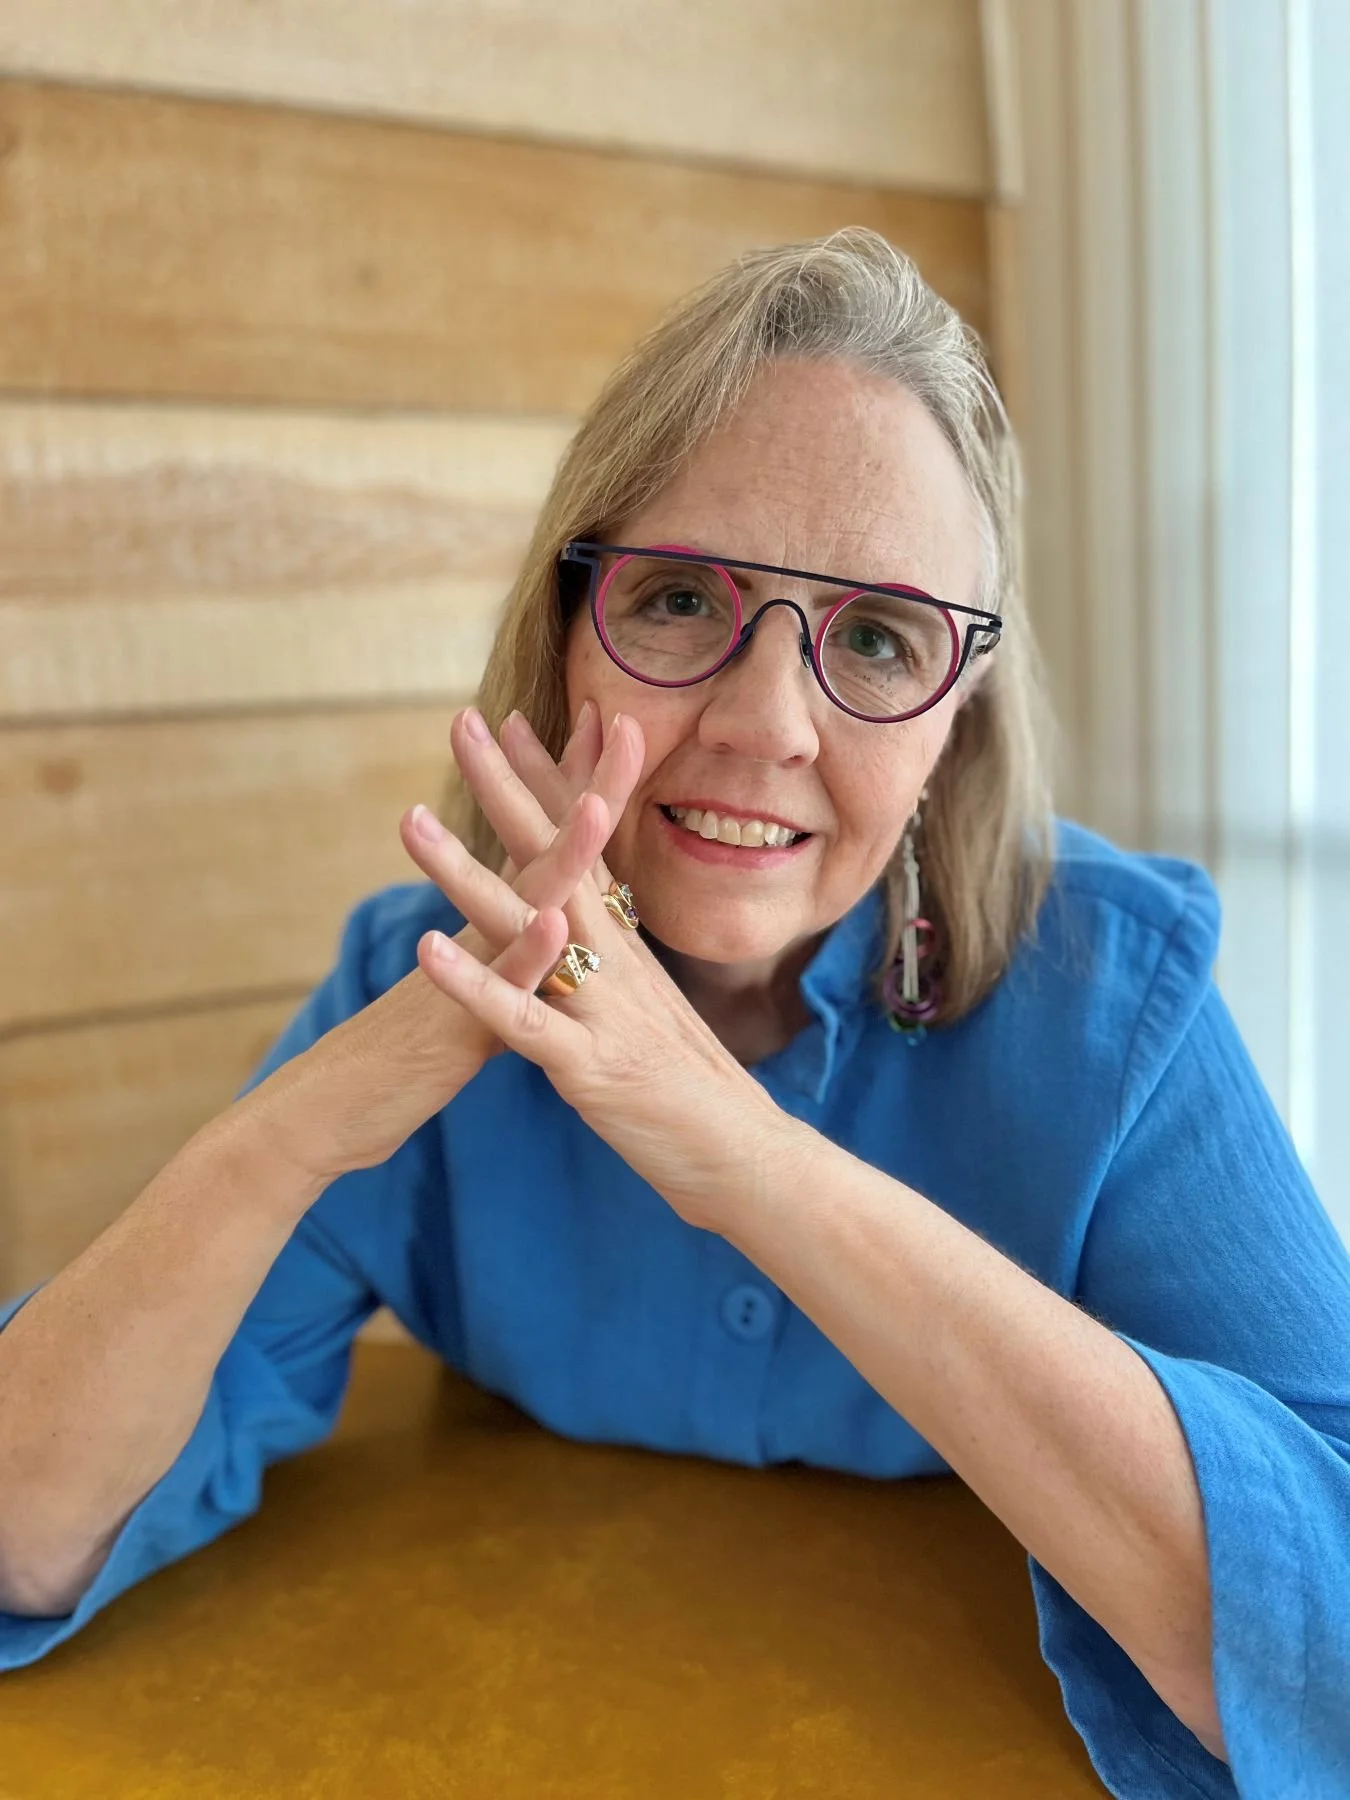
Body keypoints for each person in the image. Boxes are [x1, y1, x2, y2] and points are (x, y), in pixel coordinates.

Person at [1, 229, 1347, 1800]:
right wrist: (276, 1141)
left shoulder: (1119, 1008)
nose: (766, 723)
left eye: (876, 639)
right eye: (680, 599)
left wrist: (742, 1157)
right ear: (567, 632)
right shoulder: (413, 980)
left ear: (952, 728)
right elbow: (26, 1528)